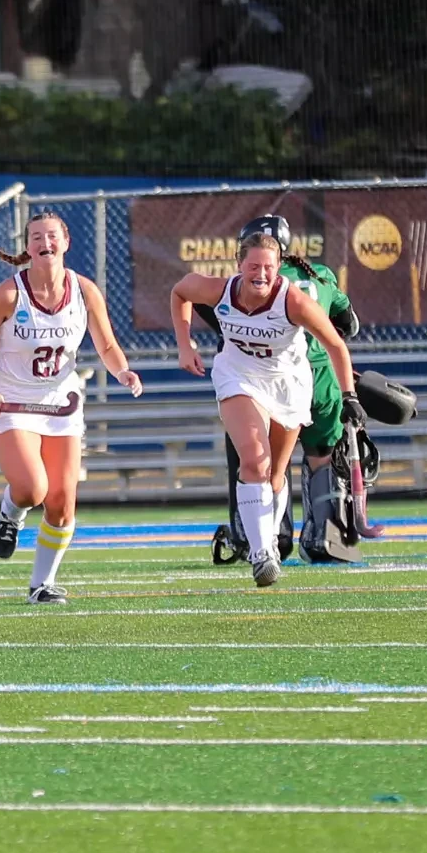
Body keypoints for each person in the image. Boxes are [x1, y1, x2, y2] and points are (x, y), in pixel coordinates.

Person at [171, 216, 362, 588]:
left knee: (275, 474)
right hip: (238, 377)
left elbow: (336, 345)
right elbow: (181, 291)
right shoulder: (219, 290)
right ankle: (262, 555)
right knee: (254, 460)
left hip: (288, 383)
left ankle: (269, 539)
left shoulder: (293, 300)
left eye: (268, 268)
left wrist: (349, 396)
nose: (261, 274)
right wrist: (184, 343)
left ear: (279, 268)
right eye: (254, 266)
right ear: (239, 265)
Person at [0, 212, 141, 604]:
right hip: (13, 404)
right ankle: (11, 512)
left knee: (61, 504)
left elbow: (107, 345)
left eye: (52, 236)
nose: (45, 242)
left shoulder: (84, 291)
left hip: (61, 405)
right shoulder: (10, 294)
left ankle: (41, 584)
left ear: (65, 242)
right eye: (36, 236)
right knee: (30, 488)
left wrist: (123, 371)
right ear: (27, 246)